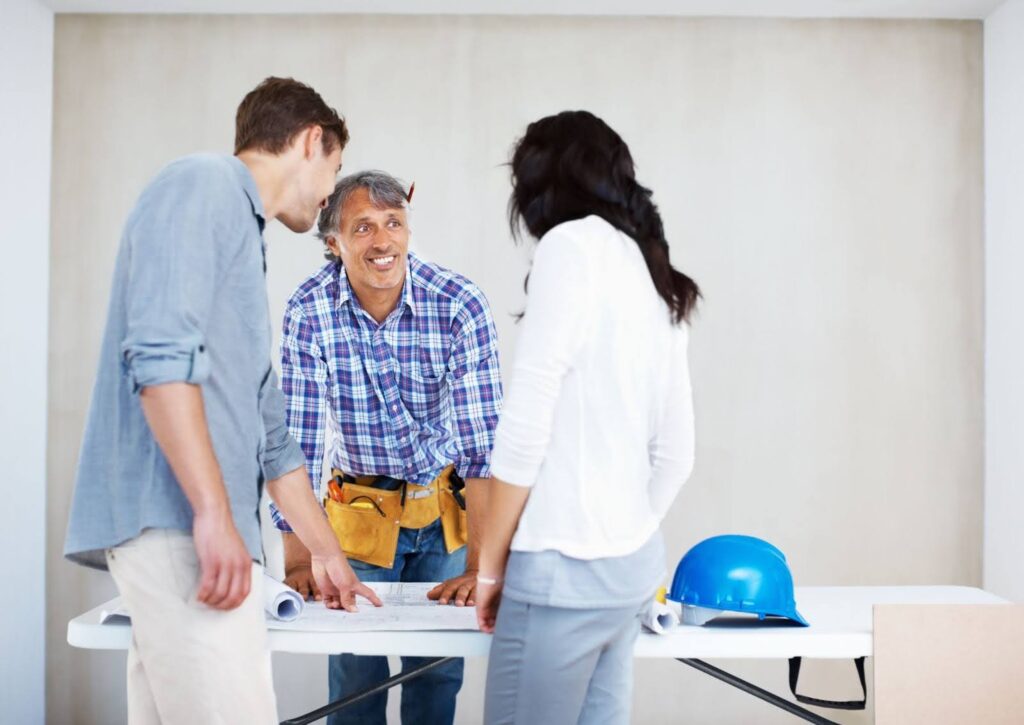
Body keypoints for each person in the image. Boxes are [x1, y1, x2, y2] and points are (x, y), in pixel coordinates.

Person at [63, 77, 381, 725]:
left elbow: (274, 441)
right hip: (181, 527)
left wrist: (327, 555)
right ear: (311, 139)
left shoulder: (241, 236)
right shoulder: (202, 183)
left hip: (194, 531)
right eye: (335, 169)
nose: (331, 194)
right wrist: (212, 514)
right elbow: (157, 353)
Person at [476, 110, 699, 725]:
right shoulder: (653, 270)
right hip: (630, 574)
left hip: (558, 575)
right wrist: (622, 536)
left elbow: (524, 430)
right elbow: (678, 454)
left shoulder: (569, 248)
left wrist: (490, 569)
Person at [271, 170, 503, 725]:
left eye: (394, 223)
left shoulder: (459, 304)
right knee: (355, 677)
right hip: (355, 519)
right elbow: (296, 440)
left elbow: (483, 447)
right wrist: (299, 558)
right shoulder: (309, 311)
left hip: (446, 516)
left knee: (438, 674)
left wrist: (480, 565)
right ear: (334, 244)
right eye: (364, 227)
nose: (383, 241)